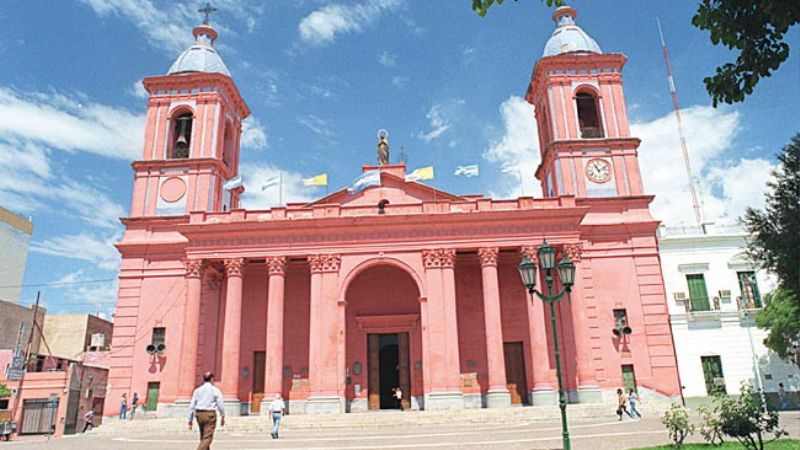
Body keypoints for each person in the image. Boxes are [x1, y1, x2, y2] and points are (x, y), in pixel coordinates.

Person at [188, 372, 225, 450]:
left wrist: (190, 419)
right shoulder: (215, 390)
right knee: (207, 438)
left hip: (199, 414)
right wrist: (223, 415)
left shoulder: (197, 390)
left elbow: (192, 405)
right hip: (209, 414)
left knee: (203, 437)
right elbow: (220, 404)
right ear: (212, 379)